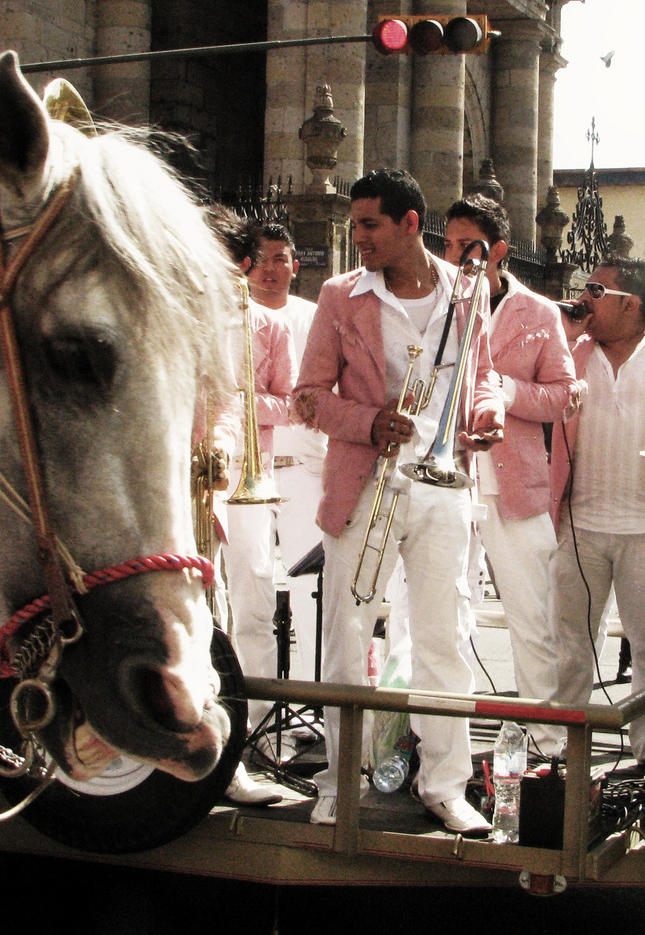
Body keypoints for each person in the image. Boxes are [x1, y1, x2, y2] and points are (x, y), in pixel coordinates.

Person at [292, 168, 504, 836]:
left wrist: (489, 410)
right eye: (355, 223)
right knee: (346, 639)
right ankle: (337, 781)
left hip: (441, 487)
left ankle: (445, 785)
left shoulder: (465, 292)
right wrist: (366, 421)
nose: (357, 237)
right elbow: (307, 395)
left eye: (368, 224)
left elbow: (484, 376)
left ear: (409, 224)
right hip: (364, 484)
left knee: (444, 639)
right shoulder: (337, 295)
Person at [443, 195, 582, 757]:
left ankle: (548, 744)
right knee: (440, 616)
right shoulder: (436, 303)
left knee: (533, 617)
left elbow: (564, 397)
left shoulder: (541, 312)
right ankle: (440, 743)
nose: (454, 257)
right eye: (448, 245)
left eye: (466, 246)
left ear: (498, 250)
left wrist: (507, 391)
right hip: (446, 477)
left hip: (515, 486)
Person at [203, 204, 296, 805]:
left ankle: (257, 732)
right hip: (195, 483)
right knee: (203, 611)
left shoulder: (269, 327)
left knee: (255, 603)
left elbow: (290, 404)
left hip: (245, 479)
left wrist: (238, 404)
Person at [548, 257, 645, 763]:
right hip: (579, 528)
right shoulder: (574, 354)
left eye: (596, 290)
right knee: (570, 649)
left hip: (643, 533)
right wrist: (565, 336)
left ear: (632, 304)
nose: (583, 297)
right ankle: (564, 755)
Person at [246, 224, 328, 695]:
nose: (270, 268)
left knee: (309, 590)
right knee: (252, 593)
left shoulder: (314, 317)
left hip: (302, 470)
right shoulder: (233, 314)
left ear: (296, 266)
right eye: (261, 258)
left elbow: (312, 403)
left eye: (280, 258)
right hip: (246, 470)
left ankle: (312, 700)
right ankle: (253, 706)